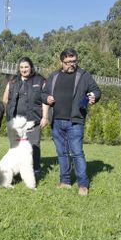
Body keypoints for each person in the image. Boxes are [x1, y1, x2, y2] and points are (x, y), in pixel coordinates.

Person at [45, 48, 101, 196]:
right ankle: (65, 181)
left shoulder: (83, 75)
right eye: (68, 62)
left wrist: (94, 96)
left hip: (75, 121)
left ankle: (83, 184)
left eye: (74, 61)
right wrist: (47, 98)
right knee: (62, 153)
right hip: (56, 121)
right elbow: (43, 93)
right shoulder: (54, 76)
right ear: (61, 62)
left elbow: (96, 90)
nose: (72, 64)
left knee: (77, 153)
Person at [2, 56, 49, 175]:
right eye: (21, 67)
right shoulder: (13, 81)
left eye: (26, 67)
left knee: (33, 145)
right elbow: (5, 98)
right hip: (16, 122)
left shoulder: (40, 80)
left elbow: (45, 100)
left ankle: (36, 169)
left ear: (31, 67)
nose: (24, 69)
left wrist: (45, 116)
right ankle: (17, 171)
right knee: (16, 147)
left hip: (33, 120)